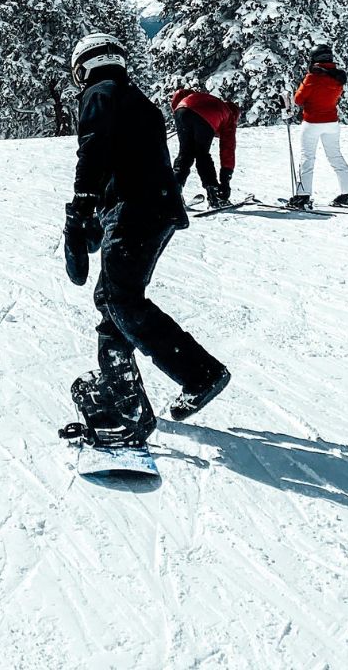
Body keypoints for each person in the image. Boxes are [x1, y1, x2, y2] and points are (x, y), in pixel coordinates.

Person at [61, 33, 231, 447]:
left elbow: (94, 150)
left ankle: (198, 372)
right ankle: (118, 389)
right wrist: (98, 216)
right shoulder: (135, 99)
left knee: (119, 298)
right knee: (113, 297)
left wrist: (81, 205)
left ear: (84, 66)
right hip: (149, 209)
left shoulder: (99, 93)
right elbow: (127, 159)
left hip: (137, 210)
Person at [286, 43, 348, 210]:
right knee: (335, 157)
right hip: (332, 123)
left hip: (312, 122)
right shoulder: (338, 78)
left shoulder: (311, 78)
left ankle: (303, 196)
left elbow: (298, 100)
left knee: (307, 158)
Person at [169, 87, 239, 208]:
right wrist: (225, 181)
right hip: (206, 114)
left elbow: (180, 93)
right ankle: (214, 195)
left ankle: (173, 194)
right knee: (202, 154)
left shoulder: (208, 98)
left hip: (182, 109)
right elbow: (228, 151)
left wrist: (177, 109)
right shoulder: (229, 117)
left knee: (185, 153)